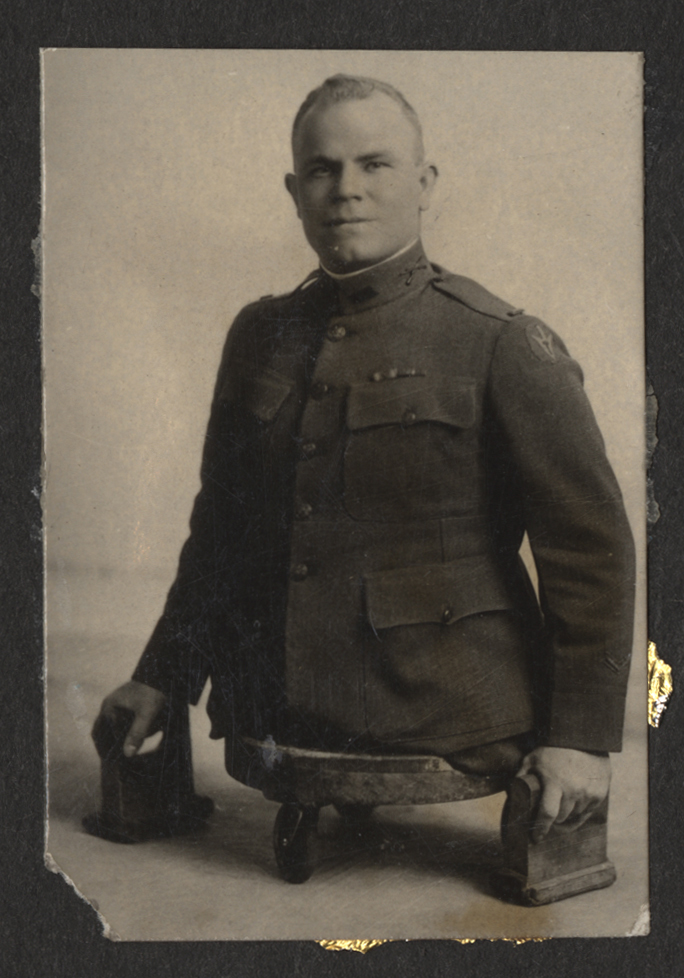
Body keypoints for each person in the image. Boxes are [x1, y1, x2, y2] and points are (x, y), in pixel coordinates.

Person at [97, 74, 635, 843]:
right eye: (323, 169)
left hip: (447, 713)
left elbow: (591, 550)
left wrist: (581, 740)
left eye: (375, 165)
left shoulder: (500, 342)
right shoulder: (260, 335)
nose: (346, 189)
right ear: (295, 189)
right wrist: (163, 674)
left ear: (425, 184)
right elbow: (220, 530)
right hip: (271, 711)